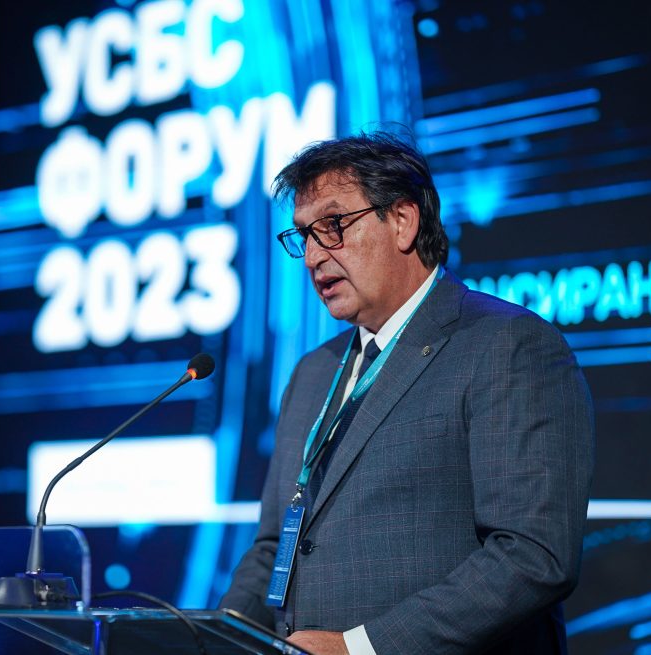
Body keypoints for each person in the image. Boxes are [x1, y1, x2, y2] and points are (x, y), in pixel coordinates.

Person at [218, 130, 595, 654]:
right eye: (304, 235)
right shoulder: (312, 373)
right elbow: (272, 549)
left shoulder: (505, 345)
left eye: (332, 226)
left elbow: (532, 554)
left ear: (402, 220)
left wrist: (360, 648)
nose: (312, 256)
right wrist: (213, 640)